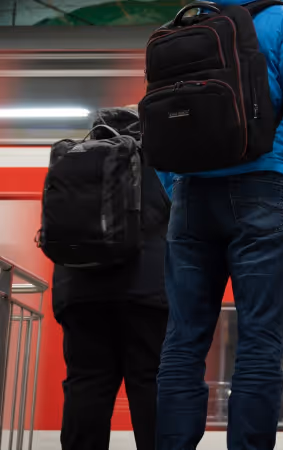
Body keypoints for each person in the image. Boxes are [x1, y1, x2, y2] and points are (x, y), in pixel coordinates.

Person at [153, 1, 283, 449]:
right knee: (260, 342)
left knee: (183, 342)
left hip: (191, 195)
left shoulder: (183, 28)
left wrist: (177, 187)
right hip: (265, 186)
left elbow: (160, 123)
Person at [52, 107, 169, 450]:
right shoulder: (160, 162)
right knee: (150, 384)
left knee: (86, 384)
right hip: (146, 292)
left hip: (79, 291)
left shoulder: (75, 159)